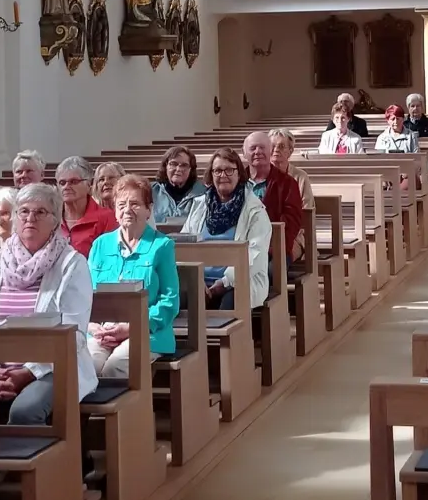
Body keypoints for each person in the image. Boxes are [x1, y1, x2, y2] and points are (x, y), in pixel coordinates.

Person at [0, 182, 98, 423]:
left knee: (25, 411)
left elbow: (74, 333)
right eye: (23, 211)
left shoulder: (71, 264)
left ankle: (45, 461)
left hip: (53, 367)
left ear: (56, 221)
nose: (30, 218)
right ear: (15, 218)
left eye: (40, 212)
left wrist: (27, 373)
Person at [87, 176, 180, 378]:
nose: (127, 210)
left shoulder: (162, 246)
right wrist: (92, 326)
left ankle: (123, 410)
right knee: (86, 365)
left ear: (149, 210)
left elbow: (169, 301)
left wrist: (131, 327)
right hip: (102, 332)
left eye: (135, 204)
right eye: (121, 204)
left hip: (147, 332)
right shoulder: (100, 245)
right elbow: (85, 295)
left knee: (115, 366)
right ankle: (83, 411)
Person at [181, 149, 271, 311]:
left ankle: (232, 337)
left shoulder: (254, 210)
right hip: (199, 281)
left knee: (229, 306)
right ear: (211, 175)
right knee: (177, 301)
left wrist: (225, 282)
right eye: (217, 170)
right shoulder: (200, 205)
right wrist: (193, 279)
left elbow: (254, 255)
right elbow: (183, 244)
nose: (223, 175)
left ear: (239, 174)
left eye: (229, 170)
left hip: (239, 280)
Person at [243, 131, 306, 261]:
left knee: (267, 272)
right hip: (242, 246)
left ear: (269, 151)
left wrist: (268, 245)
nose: (258, 151)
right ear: (244, 154)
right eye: (253, 148)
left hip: (274, 248)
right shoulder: (238, 181)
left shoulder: (287, 183)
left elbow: (291, 221)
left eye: (262, 147)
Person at [55, 157, 116, 257]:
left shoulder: (107, 218)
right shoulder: (50, 217)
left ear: (88, 185)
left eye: (74, 182)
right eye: (62, 183)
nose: (66, 187)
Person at [152, 145, 207, 222]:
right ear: (166, 166)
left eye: (184, 165)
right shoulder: (151, 191)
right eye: (173, 164)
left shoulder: (204, 193)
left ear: (191, 169)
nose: (178, 169)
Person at [268, 129, 316, 214]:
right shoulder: (261, 175)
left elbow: (307, 210)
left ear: (290, 151)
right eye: (272, 146)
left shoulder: (300, 177)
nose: (276, 149)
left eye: (281, 146)